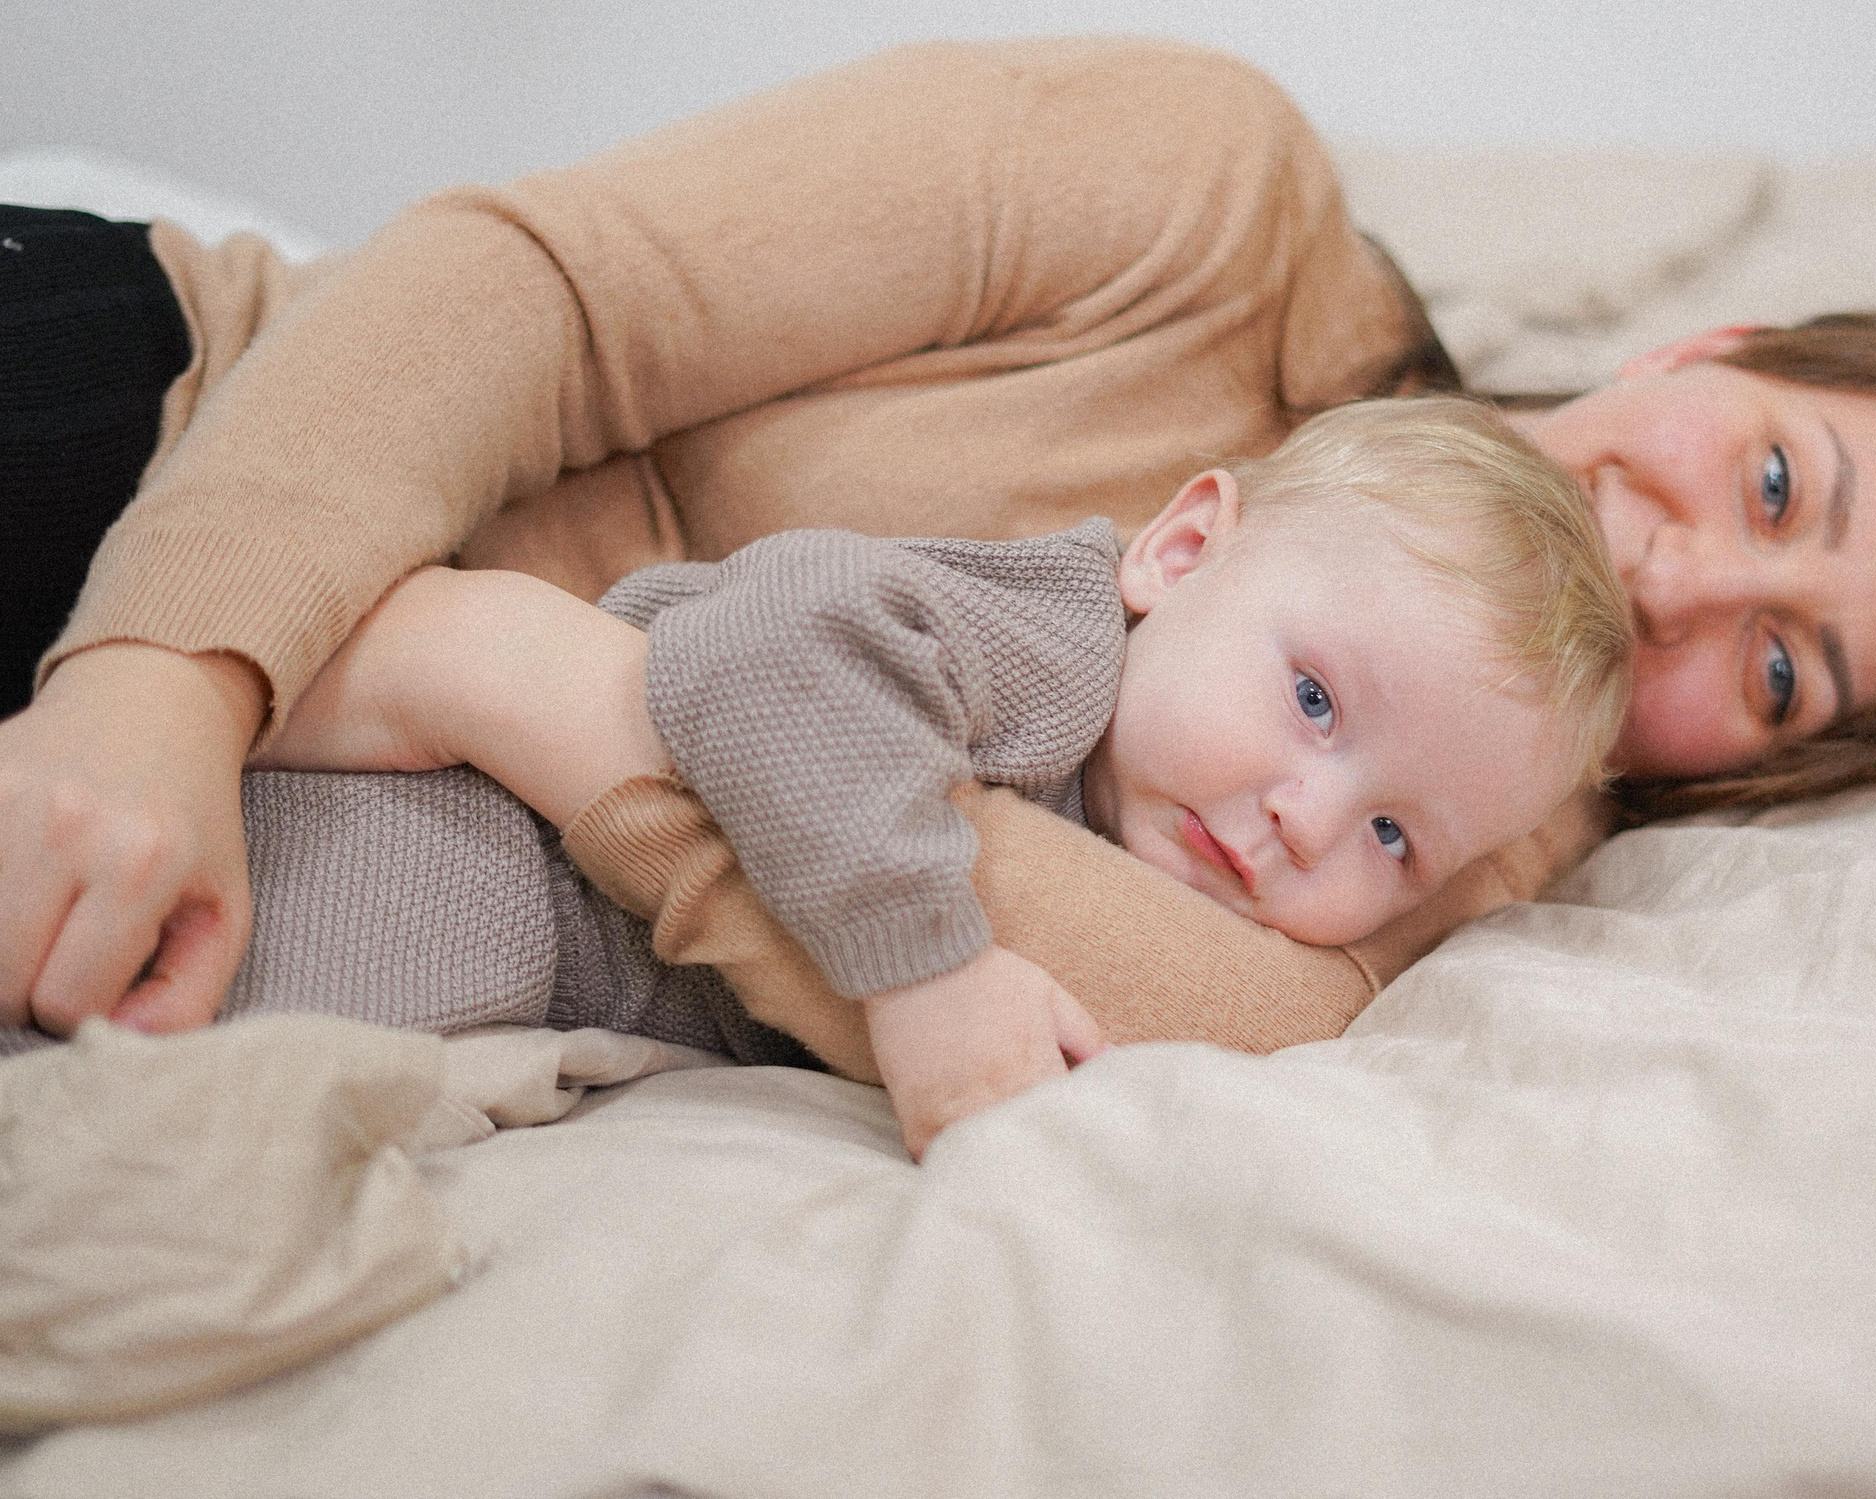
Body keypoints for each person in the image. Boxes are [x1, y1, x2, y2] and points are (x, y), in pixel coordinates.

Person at [0, 36, 1876, 1092]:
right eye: (1769, 487)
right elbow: (537, 289)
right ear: (1710, 350)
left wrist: (527, 681)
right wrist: (164, 673)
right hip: (187, 431)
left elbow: (1188, 1015)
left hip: (385, 775)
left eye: (1778, 679)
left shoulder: (1459, 827)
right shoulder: (1204, 195)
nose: (1677, 586)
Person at [46, 398, 1627, 1159]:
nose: (1307, 817)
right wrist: (926, 967)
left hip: (572, 951)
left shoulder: (1185, 810)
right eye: (1310, 700)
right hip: (472, 834)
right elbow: (760, 656)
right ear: (1182, 549)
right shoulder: (1048, 640)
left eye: (1396, 834)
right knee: (161, 1092)